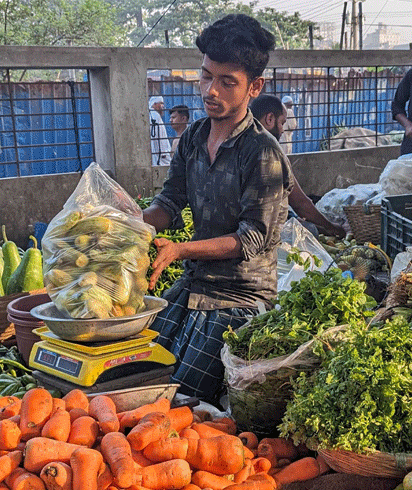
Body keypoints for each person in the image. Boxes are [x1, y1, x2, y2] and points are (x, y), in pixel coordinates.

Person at [143, 14, 292, 402]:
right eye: (206, 76)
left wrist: (178, 250)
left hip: (239, 298)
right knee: (136, 366)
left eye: (228, 82)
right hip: (193, 284)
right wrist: (127, 224)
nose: (211, 91)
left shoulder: (262, 153)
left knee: (177, 394)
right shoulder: (192, 137)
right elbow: (170, 200)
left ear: (254, 87)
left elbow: (252, 238)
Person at [250, 94, 345, 237]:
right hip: (257, 234)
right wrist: (334, 229)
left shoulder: (239, 141)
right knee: (308, 229)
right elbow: (301, 203)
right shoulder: (270, 152)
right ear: (269, 119)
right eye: (281, 123)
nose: (282, 130)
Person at [149, 96, 172, 166]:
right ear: (155, 104)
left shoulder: (152, 114)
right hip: (161, 154)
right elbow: (160, 136)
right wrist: (163, 153)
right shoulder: (155, 116)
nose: (163, 106)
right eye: (161, 103)